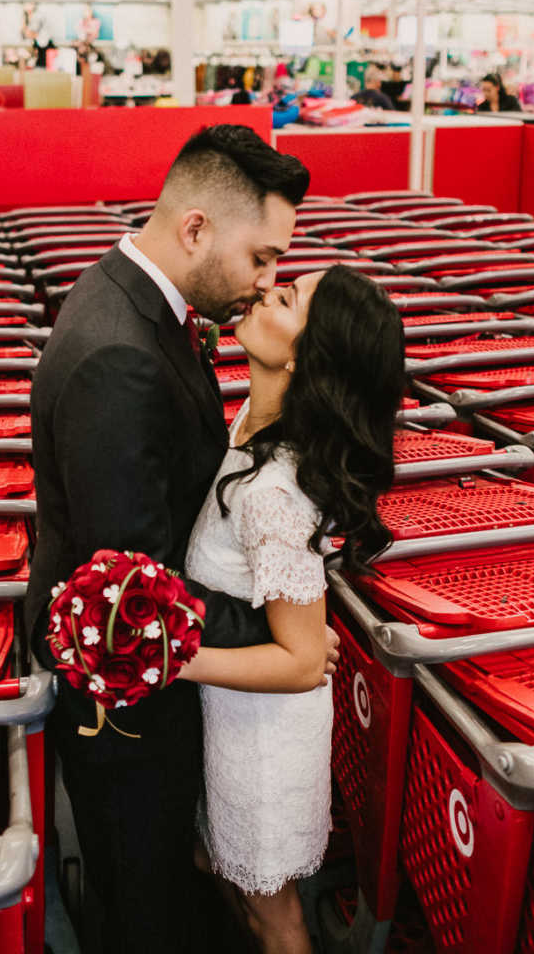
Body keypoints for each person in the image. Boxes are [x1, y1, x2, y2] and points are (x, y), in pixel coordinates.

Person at [29, 124, 331, 954]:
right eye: (260, 258)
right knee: (145, 906)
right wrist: (284, 634)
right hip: (129, 718)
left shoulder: (137, 305)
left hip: (167, 694)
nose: (266, 281)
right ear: (196, 228)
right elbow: (133, 590)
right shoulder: (120, 357)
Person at [180, 265, 403, 954]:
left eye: (285, 299)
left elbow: (305, 661)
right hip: (234, 715)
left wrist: (172, 658)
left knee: (274, 917)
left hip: (263, 740)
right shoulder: (256, 418)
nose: (263, 291)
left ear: (304, 356)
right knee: (222, 873)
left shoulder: (275, 494)